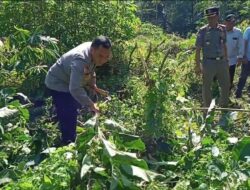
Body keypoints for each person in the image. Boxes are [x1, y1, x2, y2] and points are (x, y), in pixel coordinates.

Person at [45, 36, 112, 145]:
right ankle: (68, 143)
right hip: (58, 82)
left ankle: (59, 118)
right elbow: (75, 88)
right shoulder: (80, 60)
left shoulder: (95, 49)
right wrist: (91, 104)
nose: (103, 60)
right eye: (100, 56)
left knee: (73, 104)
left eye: (106, 57)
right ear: (92, 50)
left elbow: (91, 69)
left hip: (68, 78)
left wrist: (93, 84)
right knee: (70, 109)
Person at [195, 7, 230, 108]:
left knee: (225, 85)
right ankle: (207, 110)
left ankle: (224, 108)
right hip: (208, 62)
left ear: (218, 16)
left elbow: (224, 45)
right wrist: (197, 65)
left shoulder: (223, 29)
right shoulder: (203, 31)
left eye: (212, 17)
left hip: (222, 61)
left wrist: (226, 60)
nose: (210, 19)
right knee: (207, 87)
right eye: (208, 17)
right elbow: (198, 49)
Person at [224, 14, 244, 90]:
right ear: (225, 22)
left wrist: (240, 57)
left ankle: (228, 92)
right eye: (229, 22)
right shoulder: (220, 31)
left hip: (232, 59)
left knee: (230, 77)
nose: (230, 24)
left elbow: (241, 45)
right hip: (220, 59)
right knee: (218, 76)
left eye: (232, 22)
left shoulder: (238, 32)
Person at [235, 26, 250, 98]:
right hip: (248, 58)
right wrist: (244, 56)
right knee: (243, 76)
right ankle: (238, 92)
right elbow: (244, 43)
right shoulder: (248, 30)